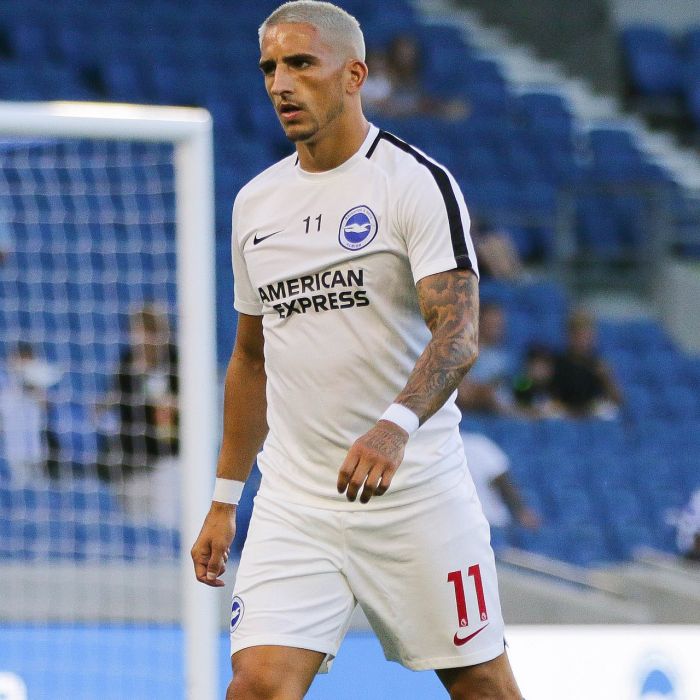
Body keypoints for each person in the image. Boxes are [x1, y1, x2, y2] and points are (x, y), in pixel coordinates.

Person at [190, 2, 522, 699]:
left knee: (482, 687)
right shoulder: (255, 204)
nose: (281, 83)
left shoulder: (414, 182)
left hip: (415, 496)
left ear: (354, 75)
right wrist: (225, 498)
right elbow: (251, 359)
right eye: (269, 68)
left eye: (300, 63)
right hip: (296, 503)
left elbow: (458, 333)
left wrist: (393, 427)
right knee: (256, 686)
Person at [96, 304, 179, 526]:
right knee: (136, 526)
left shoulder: (176, 361)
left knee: (166, 522)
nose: (139, 339)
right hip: (132, 461)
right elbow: (113, 400)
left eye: (144, 332)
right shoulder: (126, 363)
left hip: (168, 460)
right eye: (135, 332)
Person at [460, 432, 540, 551]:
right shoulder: (476, 444)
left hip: (460, 525)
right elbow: (502, 482)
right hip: (489, 525)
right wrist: (521, 511)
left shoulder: (436, 448)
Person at [0, 342, 61, 482]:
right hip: (13, 447)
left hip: (36, 446)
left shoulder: (42, 379)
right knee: (19, 483)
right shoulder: (5, 383)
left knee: (40, 482)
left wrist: (31, 387)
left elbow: (48, 405)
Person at [550, 309, 623, 419]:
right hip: (564, 411)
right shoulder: (557, 363)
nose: (583, 341)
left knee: (609, 413)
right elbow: (550, 395)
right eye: (578, 336)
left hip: (590, 411)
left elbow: (618, 400)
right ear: (569, 336)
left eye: (587, 336)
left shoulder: (598, 364)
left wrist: (606, 378)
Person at [456, 302, 516, 415]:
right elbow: (463, 393)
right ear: (479, 322)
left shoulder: (504, 358)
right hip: (470, 413)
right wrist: (484, 393)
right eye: (491, 324)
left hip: (502, 412)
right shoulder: (463, 352)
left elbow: (508, 395)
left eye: (499, 325)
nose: (496, 329)